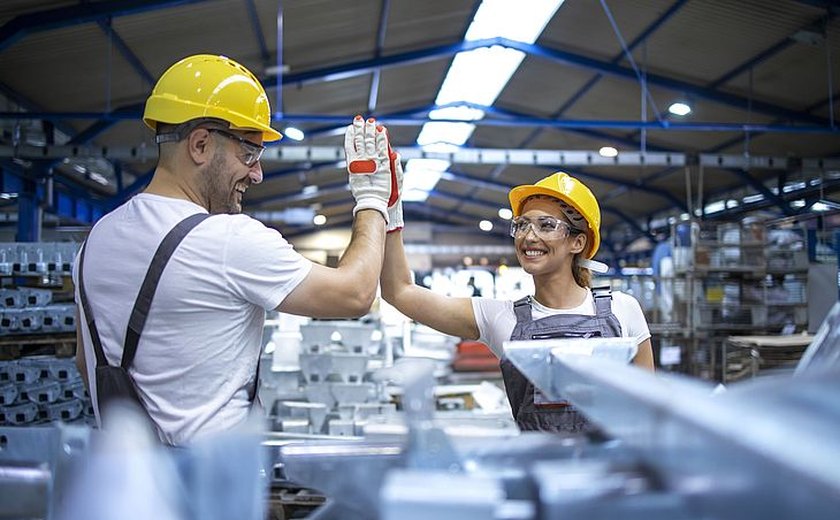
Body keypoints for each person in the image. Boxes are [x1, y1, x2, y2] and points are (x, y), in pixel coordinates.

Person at [74, 54, 396, 446]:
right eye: (249, 153)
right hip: (211, 493)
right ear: (201, 144)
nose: (257, 174)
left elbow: (85, 362)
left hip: (126, 489)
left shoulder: (94, 243)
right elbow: (357, 293)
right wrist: (372, 200)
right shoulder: (227, 241)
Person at [381, 167, 655, 434]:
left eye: (546, 225)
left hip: (612, 474)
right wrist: (390, 211)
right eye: (522, 225)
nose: (528, 236)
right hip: (536, 474)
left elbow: (649, 411)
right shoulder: (501, 319)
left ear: (578, 243)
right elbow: (400, 292)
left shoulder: (622, 310)